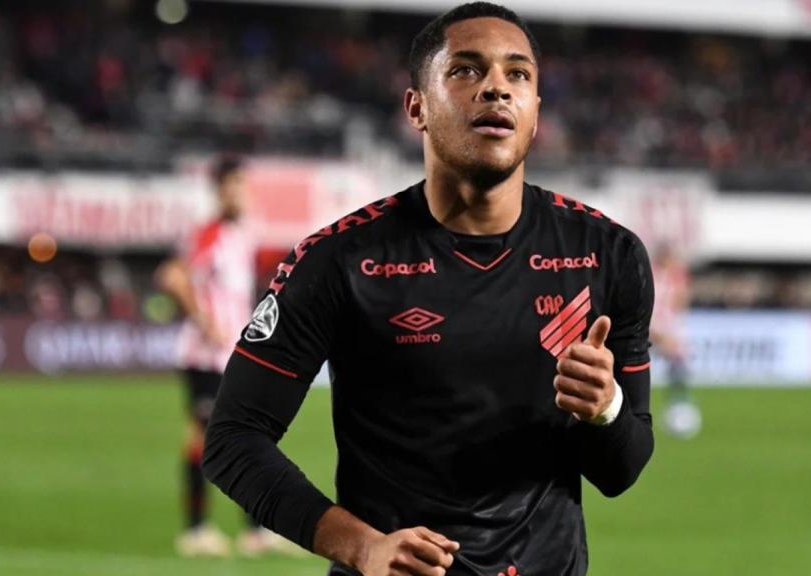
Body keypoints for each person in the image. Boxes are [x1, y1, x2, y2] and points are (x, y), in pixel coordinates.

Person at [203, 4, 655, 575]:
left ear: (536, 113)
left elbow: (622, 471)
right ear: (416, 107)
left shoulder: (608, 256)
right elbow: (233, 439)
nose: (496, 88)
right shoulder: (339, 262)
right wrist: (361, 546)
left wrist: (605, 409)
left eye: (518, 74)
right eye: (466, 70)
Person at [157, 156, 298, 557]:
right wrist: (203, 320)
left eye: (242, 185)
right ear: (219, 191)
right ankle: (196, 530)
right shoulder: (210, 233)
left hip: (231, 355)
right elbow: (172, 276)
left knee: (249, 436)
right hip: (203, 357)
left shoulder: (243, 234)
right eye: (233, 185)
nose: (240, 193)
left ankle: (254, 531)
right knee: (204, 439)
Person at [650, 245, 701, 439]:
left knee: (679, 365)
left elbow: (681, 300)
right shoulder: (651, 273)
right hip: (649, 326)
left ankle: (679, 405)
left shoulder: (676, 275)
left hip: (668, 327)